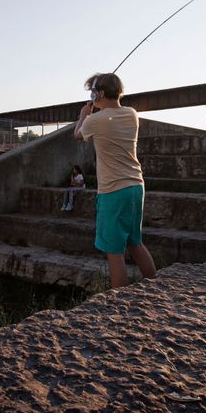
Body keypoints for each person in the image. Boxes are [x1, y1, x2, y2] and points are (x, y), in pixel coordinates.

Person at [74, 73, 156, 288]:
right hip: (136, 187)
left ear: (99, 93)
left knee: (115, 252)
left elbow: (77, 135)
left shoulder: (94, 120)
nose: (92, 96)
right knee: (135, 243)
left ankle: (118, 304)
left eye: (93, 92)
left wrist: (84, 114)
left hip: (113, 191)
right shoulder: (132, 114)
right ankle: (155, 287)